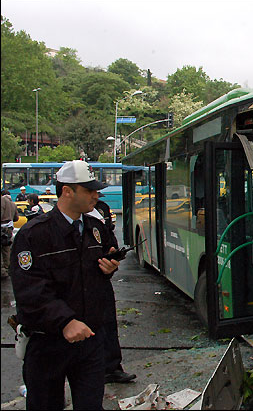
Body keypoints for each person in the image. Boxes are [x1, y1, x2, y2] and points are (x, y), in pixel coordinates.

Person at [9, 160, 120, 410]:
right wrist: (65, 322)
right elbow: (29, 290)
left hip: (89, 341)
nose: (96, 194)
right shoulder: (34, 235)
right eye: (89, 189)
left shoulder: (95, 229)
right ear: (67, 191)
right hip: (48, 344)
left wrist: (109, 268)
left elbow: (95, 274)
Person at [88, 194, 135, 383]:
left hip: (100, 286)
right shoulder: (46, 228)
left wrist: (112, 258)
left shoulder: (98, 215)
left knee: (108, 327)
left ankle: (112, 367)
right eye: (88, 191)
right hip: (75, 293)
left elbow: (110, 243)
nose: (94, 196)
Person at [1, 190, 19, 279]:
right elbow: (16, 218)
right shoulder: (13, 204)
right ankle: (7, 268)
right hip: (8, 229)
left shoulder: (2, 201)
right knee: (6, 248)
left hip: (1, 227)